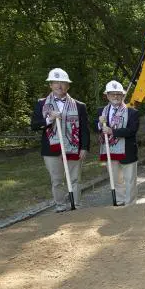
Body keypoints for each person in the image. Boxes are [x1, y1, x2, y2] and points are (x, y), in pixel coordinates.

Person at [30, 68, 90, 212]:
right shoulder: (41, 104)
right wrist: (49, 119)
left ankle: (76, 206)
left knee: (75, 179)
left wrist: (84, 147)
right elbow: (34, 125)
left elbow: (84, 129)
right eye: (55, 82)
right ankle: (60, 206)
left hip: (74, 146)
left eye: (62, 83)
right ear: (50, 85)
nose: (59, 86)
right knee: (57, 180)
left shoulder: (79, 106)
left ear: (68, 86)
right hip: (51, 149)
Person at [94, 80, 140, 206]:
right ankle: (119, 202)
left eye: (118, 94)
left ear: (122, 95)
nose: (115, 96)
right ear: (107, 96)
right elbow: (94, 127)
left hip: (128, 151)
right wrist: (99, 123)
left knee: (130, 180)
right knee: (116, 179)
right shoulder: (101, 112)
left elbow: (132, 130)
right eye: (112, 94)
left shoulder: (132, 112)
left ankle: (130, 205)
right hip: (110, 150)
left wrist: (112, 131)